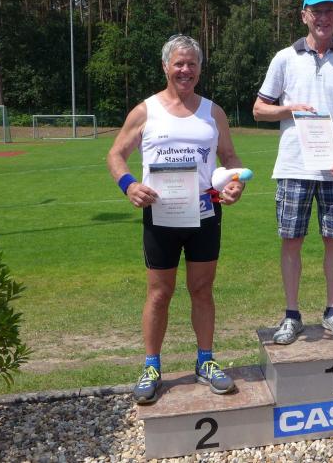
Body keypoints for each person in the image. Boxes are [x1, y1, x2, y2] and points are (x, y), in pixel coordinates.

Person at [107, 34, 246, 404]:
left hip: (205, 212)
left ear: (200, 69)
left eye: (192, 64)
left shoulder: (213, 112)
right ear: (165, 66)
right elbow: (116, 155)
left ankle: (206, 361)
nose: (186, 70)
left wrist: (234, 182)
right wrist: (129, 185)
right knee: (159, 292)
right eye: (179, 63)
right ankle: (152, 367)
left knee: (202, 289)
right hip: (162, 213)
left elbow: (230, 157)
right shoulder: (146, 111)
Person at [253, 0, 333, 345]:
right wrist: (289, 109)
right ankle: (292, 315)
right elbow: (259, 109)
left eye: (330, 10)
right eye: (316, 11)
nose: (323, 17)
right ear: (304, 15)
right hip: (294, 167)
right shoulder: (284, 58)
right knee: (292, 241)